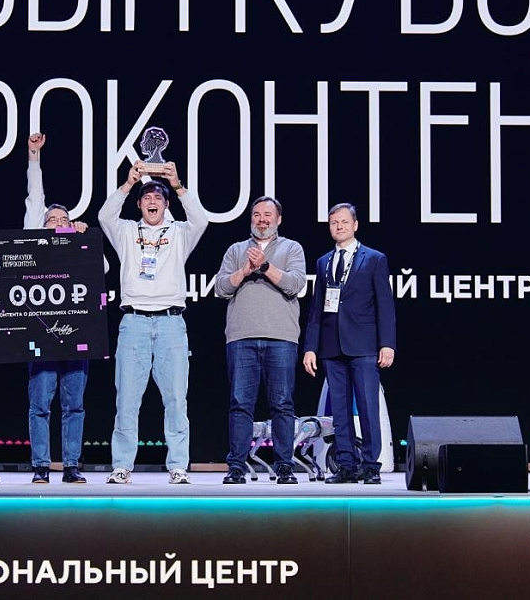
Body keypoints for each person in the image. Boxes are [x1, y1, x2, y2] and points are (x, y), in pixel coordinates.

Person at [98, 159, 208, 485]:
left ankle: (178, 466)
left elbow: (201, 219)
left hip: (171, 323)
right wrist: (128, 183)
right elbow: (104, 216)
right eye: (146, 198)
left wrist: (177, 185)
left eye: (158, 198)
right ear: (139, 205)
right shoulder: (127, 231)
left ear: (166, 205)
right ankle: (122, 466)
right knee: (127, 401)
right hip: (134, 323)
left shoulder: (179, 233)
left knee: (176, 400)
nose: (152, 202)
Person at [214, 196, 307, 485]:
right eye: (257, 214)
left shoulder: (292, 248)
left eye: (268, 215)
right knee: (240, 404)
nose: (262, 220)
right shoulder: (236, 250)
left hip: (281, 337)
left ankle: (284, 466)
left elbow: (295, 284)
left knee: (282, 404)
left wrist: (265, 266)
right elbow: (220, 288)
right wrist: (245, 270)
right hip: (242, 336)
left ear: (278, 219)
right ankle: (237, 466)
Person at [302, 203, 397, 485]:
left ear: (355, 225)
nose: (339, 226)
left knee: (367, 408)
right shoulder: (323, 262)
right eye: (334, 222)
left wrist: (387, 343)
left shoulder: (374, 259)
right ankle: (346, 465)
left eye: (344, 222)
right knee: (339, 412)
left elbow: (385, 305)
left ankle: (371, 465)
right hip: (331, 347)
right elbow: (317, 309)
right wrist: (310, 347)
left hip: (364, 345)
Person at [23, 132, 91, 484]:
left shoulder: (80, 247)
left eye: (63, 220)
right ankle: (40, 465)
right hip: (41, 335)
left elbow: (102, 270)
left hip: (75, 335)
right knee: (40, 405)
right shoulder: (34, 244)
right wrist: (34, 157)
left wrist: (83, 240)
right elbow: (35, 200)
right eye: (52, 220)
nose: (58, 223)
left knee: (74, 405)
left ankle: (71, 465)